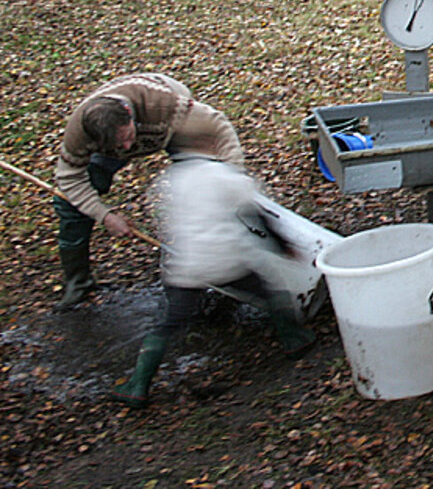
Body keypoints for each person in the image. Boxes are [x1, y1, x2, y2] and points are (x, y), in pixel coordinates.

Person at [110, 147, 316, 408]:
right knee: (271, 290)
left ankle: (138, 385)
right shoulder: (224, 175)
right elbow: (257, 215)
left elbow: (164, 215)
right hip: (226, 260)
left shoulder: (177, 176)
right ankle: (294, 339)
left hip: (188, 264)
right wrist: (284, 247)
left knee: (170, 323)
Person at [52, 73, 244, 310]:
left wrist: (234, 177)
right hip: (118, 140)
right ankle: (78, 284)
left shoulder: (166, 106)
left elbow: (219, 125)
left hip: (171, 129)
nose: (127, 148)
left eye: (127, 137)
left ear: (130, 116)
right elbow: (70, 179)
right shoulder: (80, 132)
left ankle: (225, 260)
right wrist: (105, 215)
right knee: (68, 206)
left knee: (204, 184)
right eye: (118, 145)